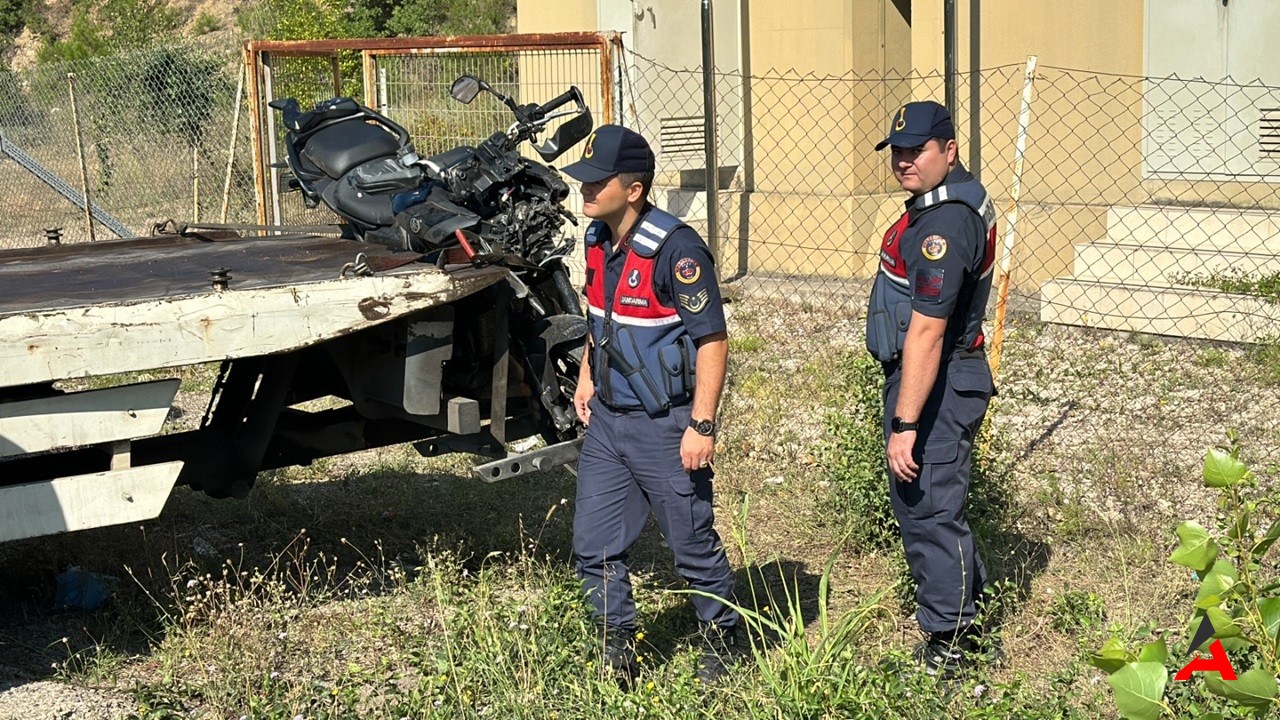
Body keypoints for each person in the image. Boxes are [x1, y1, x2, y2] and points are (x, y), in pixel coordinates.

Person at [560, 124, 739, 683]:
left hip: (666, 425)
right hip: (610, 423)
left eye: (597, 181)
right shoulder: (595, 241)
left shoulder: (677, 251)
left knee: (689, 542)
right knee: (593, 544)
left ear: (633, 189)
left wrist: (702, 425)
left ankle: (725, 636)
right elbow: (598, 317)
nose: (585, 190)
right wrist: (588, 377)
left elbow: (713, 340)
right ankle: (620, 645)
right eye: (582, 181)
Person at [864, 101, 999, 678]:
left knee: (927, 508)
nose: (903, 161)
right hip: (939, 374)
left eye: (916, 150)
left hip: (937, 380)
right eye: (897, 151)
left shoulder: (946, 223)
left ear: (949, 150)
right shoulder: (947, 203)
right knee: (937, 503)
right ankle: (971, 600)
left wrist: (905, 423)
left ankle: (952, 643)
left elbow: (927, 330)